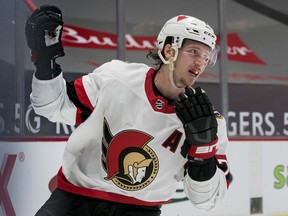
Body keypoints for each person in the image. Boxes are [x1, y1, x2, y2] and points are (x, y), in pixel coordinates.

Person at [25, 5, 232, 216]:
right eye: (194, 51)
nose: (201, 62)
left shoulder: (209, 123)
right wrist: (45, 59)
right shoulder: (117, 78)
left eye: (207, 56)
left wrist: (203, 155)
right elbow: (51, 106)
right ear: (169, 50)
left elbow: (206, 200)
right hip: (74, 202)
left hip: (139, 212)